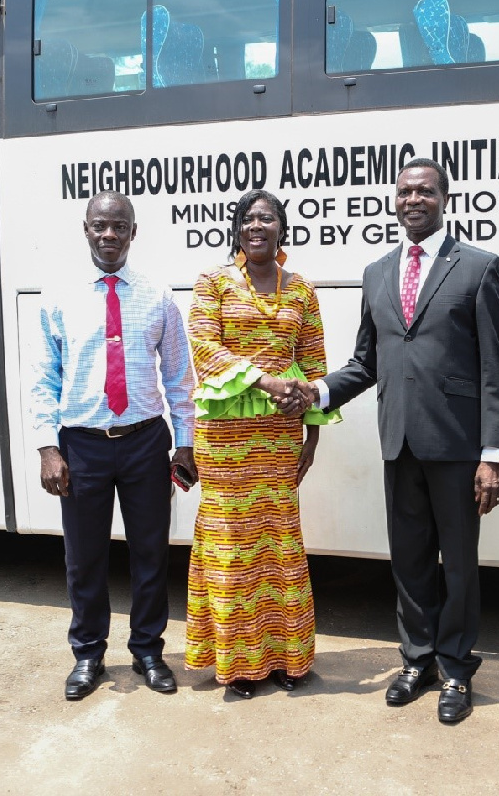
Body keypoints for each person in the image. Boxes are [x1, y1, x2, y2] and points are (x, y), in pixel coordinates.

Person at [298, 158, 499, 724]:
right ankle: (417, 661)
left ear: (445, 198)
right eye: (404, 192)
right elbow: (365, 362)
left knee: (459, 563)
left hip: (459, 446)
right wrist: (315, 392)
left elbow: (495, 368)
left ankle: (457, 670)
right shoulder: (377, 272)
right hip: (400, 442)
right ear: (394, 201)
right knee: (410, 559)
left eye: (425, 191)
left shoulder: (478, 266)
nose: (413, 199)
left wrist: (494, 455)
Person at [30, 190, 197, 701]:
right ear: (86, 229)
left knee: (150, 554)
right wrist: (47, 448)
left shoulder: (158, 296)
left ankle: (148, 650)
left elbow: (178, 376)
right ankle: (88, 654)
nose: (109, 235)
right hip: (81, 447)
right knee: (84, 558)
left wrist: (185, 445)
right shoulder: (58, 297)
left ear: (132, 233)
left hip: (145, 442)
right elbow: (43, 378)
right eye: (100, 226)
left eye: (119, 226)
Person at [184, 189, 339, 699]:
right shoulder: (213, 283)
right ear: (237, 229)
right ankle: (237, 665)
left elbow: (314, 361)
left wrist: (312, 435)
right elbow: (204, 346)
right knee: (232, 545)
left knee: (278, 542)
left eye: (267, 218)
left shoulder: (301, 290)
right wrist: (268, 382)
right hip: (225, 436)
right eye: (248, 218)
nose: (257, 226)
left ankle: (287, 658)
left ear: (281, 228)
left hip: (279, 436)